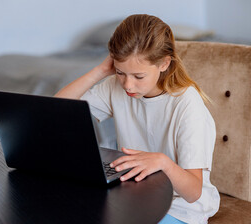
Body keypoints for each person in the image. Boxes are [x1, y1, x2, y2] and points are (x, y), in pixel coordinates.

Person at [55, 14, 220, 224]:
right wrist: (99, 72)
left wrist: (163, 163)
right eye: (120, 72)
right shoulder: (115, 85)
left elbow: (193, 192)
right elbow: (58, 114)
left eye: (138, 76)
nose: (127, 85)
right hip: (135, 195)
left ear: (164, 63)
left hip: (180, 208)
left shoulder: (186, 104)